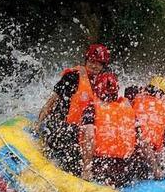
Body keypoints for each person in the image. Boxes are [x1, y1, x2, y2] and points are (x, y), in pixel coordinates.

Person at [36, 43, 110, 174]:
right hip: (62, 125)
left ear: (103, 66)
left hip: (82, 130)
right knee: (73, 140)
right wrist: (38, 124)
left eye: (99, 63)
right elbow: (52, 101)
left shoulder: (102, 83)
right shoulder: (72, 77)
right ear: (86, 61)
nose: (95, 66)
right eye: (92, 61)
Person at [79, 72, 137, 187]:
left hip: (101, 168)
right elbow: (143, 142)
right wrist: (156, 171)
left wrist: (86, 170)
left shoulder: (92, 108)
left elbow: (90, 137)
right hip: (126, 170)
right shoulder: (128, 108)